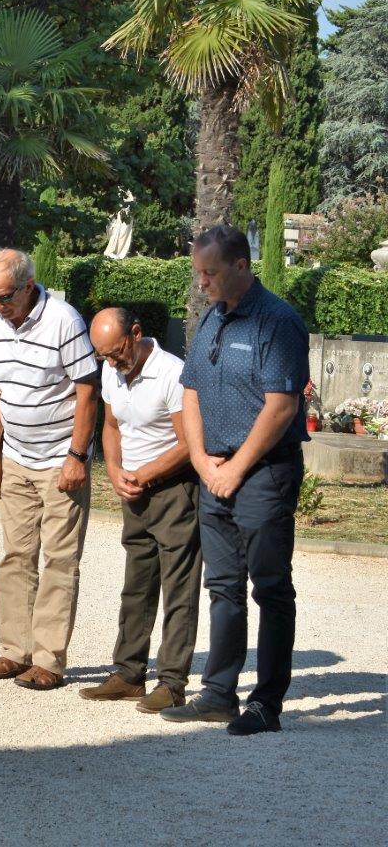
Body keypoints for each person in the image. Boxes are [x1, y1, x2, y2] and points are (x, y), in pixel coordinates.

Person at [161, 224, 309, 736]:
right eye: (198, 272)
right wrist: (202, 463)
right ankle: (219, 694)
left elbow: (281, 405)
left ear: (241, 266)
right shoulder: (210, 319)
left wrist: (236, 468)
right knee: (222, 587)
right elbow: (193, 393)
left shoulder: (277, 322)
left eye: (209, 272)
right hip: (215, 473)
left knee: (270, 588)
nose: (201, 282)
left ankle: (266, 704)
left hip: (263, 473)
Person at [0, 248, 98, 692]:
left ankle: (48, 660)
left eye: (4, 296)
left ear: (28, 286)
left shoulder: (64, 320)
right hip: (16, 456)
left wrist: (77, 456)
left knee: (60, 560)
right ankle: (14, 651)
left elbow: (87, 391)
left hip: (60, 459)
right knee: (15, 556)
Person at [79, 307, 201, 714]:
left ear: (135, 333)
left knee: (178, 589)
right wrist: (114, 470)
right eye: (104, 357)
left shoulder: (172, 372)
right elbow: (111, 426)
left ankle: (171, 683)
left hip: (172, 491)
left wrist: (145, 473)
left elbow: (188, 444)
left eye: (116, 353)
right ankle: (129, 674)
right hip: (134, 491)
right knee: (136, 585)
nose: (111, 363)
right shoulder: (112, 370)